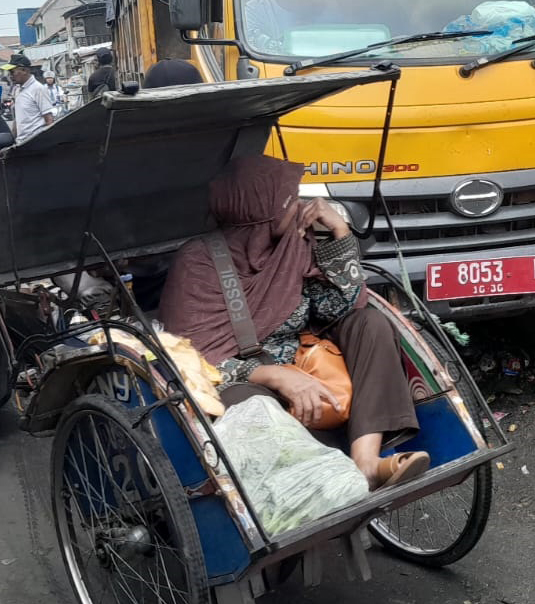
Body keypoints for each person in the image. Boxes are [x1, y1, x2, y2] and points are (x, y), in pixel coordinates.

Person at [158, 157, 429, 490]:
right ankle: (314, 484)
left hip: (303, 355)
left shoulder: (292, 244)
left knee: (370, 322)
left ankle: (366, 461)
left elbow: (341, 306)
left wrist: (340, 232)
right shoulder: (196, 264)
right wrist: (274, 375)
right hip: (240, 378)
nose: (302, 207)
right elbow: (188, 362)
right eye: (290, 200)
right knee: (249, 408)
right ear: (261, 213)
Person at [2, 52, 55, 141]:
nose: (10, 76)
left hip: (36, 142)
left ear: (24, 71)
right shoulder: (17, 89)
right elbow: (17, 119)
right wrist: (12, 140)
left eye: (12, 72)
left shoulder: (38, 89)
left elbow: (49, 119)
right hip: (21, 142)